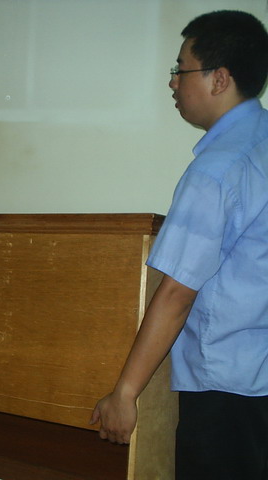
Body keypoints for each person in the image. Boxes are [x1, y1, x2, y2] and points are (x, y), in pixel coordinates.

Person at [90, 10, 268, 479]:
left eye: (180, 69)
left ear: (219, 79)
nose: (172, 82)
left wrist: (125, 393)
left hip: (227, 390)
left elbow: (177, 292)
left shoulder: (218, 169)